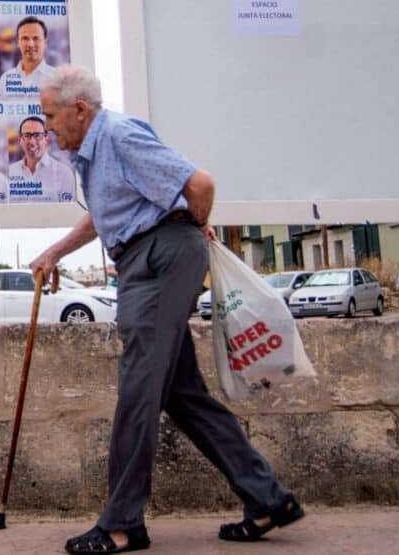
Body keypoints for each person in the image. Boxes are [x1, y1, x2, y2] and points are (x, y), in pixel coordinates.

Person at [29, 66, 303, 554]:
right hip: (146, 258)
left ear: (79, 110)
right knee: (180, 392)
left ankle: (121, 523)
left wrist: (192, 225)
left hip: (159, 259)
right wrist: (55, 253)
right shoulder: (95, 153)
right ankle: (267, 498)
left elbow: (199, 184)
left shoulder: (118, 134)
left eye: (50, 116)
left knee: (139, 386)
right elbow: (107, 214)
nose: (47, 127)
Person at [8, 116, 75, 202]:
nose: (32, 141)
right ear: (20, 140)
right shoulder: (11, 172)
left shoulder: (64, 173)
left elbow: (69, 212)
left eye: (37, 135)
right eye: (27, 135)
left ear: (47, 139)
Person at [0, 16, 56, 100]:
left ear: (45, 43)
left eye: (36, 38)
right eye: (25, 38)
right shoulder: (5, 79)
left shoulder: (55, 78)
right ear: (18, 42)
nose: (30, 44)